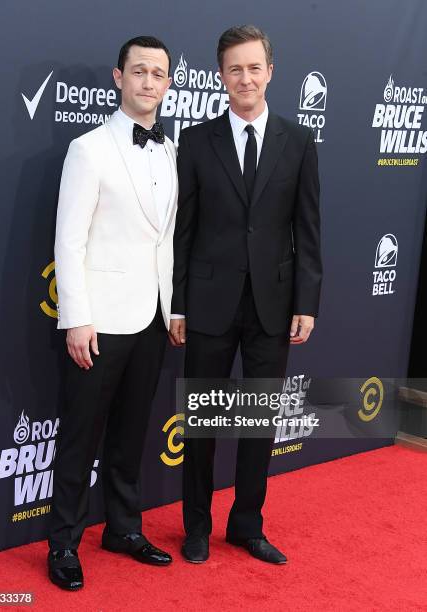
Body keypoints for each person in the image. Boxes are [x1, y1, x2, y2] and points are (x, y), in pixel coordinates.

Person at [170, 25, 322, 564]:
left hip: (273, 305)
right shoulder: (194, 141)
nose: (245, 78)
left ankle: (246, 525)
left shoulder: (299, 141)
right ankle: (195, 526)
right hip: (209, 303)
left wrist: (306, 302)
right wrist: (178, 303)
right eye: (235, 68)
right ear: (221, 77)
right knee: (204, 422)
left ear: (270, 72)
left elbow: (308, 229)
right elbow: (182, 231)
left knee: (258, 423)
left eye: (254, 67)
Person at [48, 36, 177, 590]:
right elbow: (68, 241)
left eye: (160, 73)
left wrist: (176, 309)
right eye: (140, 71)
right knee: (81, 435)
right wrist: (76, 316)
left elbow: (167, 240)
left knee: (130, 434)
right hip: (99, 322)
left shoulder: (172, 150)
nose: (150, 82)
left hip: (153, 318)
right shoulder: (89, 148)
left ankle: (123, 529)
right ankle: (63, 544)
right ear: (118, 77)